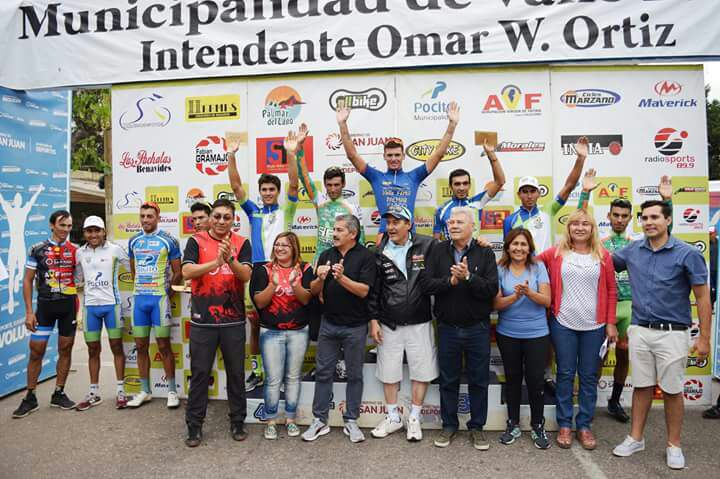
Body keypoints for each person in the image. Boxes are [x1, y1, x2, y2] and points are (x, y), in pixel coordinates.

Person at [611, 200, 711, 470]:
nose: (649, 222)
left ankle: (674, 445)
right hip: (640, 330)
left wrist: (704, 337)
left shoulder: (687, 253)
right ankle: (636, 438)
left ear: (668, 220)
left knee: (672, 390)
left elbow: (703, 298)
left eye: (655, 217)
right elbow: (601, 261)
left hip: (673, 334)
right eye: (644, 218)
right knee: (641, 386)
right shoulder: (631, 250)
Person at [578, 171, 673, 423]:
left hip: (630, 306)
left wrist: (667, 200)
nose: (619, 219)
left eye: (624, 216)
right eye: (615, 215)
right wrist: (585, 192)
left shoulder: (639, 242)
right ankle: (588, 404)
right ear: (608, 216)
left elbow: (667, 231)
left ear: (632, 218)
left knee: (623, 353)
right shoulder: (598, 242)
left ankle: (614, 401)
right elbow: (580, 221)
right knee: (597, 356)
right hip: (602, 306)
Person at [503, 136, 589, 392]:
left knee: (550, 325)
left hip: (548, 273)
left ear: (539, 193)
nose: (529, 195)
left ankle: (547, 374)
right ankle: (527, 374)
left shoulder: (548, 210)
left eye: (533, 190)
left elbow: (570, 185)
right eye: (525, 191)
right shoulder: (510, 219)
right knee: (522, 320)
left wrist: (580, 158)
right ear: (519, 194)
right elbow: (509, 249)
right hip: (520, 272)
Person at [536, 209, 617, 450]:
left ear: (592, 228)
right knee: (565, 374)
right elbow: (527, 260)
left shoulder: (603, 255)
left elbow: (612, 290)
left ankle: (584, 425)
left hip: (595, 325)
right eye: (575, 224)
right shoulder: (556, 253)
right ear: (568, 227)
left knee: (589, 376)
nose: (580, 228)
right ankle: (564, 424)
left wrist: (611, 322)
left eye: (585, 224)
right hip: (563, 323)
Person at [227, 130, 301, 393]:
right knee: (256, 325)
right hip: (258, 270)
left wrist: (291, 153)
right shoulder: (254, 212)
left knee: (282, 323)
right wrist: (231, 155)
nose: (268, 193)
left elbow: (294, 185)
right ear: (259, 192)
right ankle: (257, 371)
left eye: (272, 189)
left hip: (283, 270)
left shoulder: (287, 210)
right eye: (264, 190)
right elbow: (236, 188)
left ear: (277, 192)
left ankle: (281, 376)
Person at [421, 207, 498, 450]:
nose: (453, 225)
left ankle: (477, 428)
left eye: (459, 222)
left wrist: (468, 278)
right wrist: (450, 281)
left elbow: (491, 289)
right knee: (448, 380)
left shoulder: (485, 252)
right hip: (448, 328)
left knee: (479, 380)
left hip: (477, 328)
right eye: (450, 222)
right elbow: (426, 285)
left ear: (472, 226)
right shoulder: (437, 250)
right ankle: (449, 425)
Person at [181, 198, 253, 447]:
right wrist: (215, 262)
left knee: (236, 374)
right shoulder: (196, 241)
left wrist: (230, 259)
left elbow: (245, 275)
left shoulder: (242, 243)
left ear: (233, 220)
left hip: (233, 320)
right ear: (211, 218)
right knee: (200, 374)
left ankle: (238, 421)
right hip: (203, 321)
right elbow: (186, 272)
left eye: (227, 217)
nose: (222, 221)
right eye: (218, 216)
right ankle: (194, 425)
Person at [336, 99, 460, 240]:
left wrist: (452, 125)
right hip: (385, 235)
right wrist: (342, 124)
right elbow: (352, 155)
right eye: (390, 155)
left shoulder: (414, 177)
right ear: (384, 156)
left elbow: (439, 154)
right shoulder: (376, 177)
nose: (393, 159)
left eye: (397, 155)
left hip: (409, 235)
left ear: (403, 156)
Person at [302, 214, 376, 444]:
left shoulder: (366, 257)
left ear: (352, 234)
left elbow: (364, 291)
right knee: (323, 372)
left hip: (355, 326)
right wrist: (320, 279)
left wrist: (341, 278)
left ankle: (351, 420)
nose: (334, 234)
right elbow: (314, 290)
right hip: (329, 324)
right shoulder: (326, 254)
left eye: (339, 230)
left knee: (354, 375)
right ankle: (319, 420)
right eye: (334, 229)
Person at [367, 205, 437, 442]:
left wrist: (480, 243)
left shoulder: (427, 245)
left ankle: (414, 418)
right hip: (389, 323)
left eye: (396, 222)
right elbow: (374, 292)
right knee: (389, 372)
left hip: (420, 321)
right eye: (388, 222)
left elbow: (455, 249)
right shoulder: (378, 252)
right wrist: (374, 320)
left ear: (409, 224)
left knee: (422, 371)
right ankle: (393, 417)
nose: (391, 227)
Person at [12, 210, 78, 418]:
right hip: (45, 308)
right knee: (36, 351)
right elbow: (27, 280)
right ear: (51, 225)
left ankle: (59, 393)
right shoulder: (37, 249)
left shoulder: (76, 250)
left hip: (68, 307)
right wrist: (29, 312)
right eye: (62, 225)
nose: (66, 230)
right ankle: (30, 396)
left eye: (69, 226)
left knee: (65, 349)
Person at [250, 232, 313, 440]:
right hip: (271, 332)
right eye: (277, 244)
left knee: (293, 377)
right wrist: (273, 284)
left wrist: (294, 284)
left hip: (298, 331)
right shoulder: (264, 270)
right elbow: (260, 302)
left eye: (285, 245)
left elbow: (306, 300)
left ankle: (290, 419)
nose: (280, 248)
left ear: (294, 248)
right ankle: (271, 420)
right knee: (273, 379)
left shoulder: (305, 269)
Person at [493, 228, 552, 449]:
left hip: (537, 334)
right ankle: (513, 424)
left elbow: (547, 300)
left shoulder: (538, 267)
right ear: (508, 247)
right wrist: (516, 296)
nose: (519, 248)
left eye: (523, 244)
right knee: (513, 379)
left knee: (536, 381)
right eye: (515, 244)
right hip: (508, 333)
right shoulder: (499, 268)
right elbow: (496, 304)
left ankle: (538, 425)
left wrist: (529, 293)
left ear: (529, 248)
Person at [126, 202, 183, 408]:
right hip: (139, 300)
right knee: (140, 346)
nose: (145, 220)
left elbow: (178, 272)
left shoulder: (169, 240)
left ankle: (172, 391)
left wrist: (166, 293)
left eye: (150, 216)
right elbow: (133, 272)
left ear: (158, 217)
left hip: (159, 300)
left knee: (164, 346)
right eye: (142, 216)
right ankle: (145, 391)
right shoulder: (134, 241)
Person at [74, 216, 131, 410]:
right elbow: (78, 278)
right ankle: (94, 392)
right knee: (92, 349)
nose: (93, 235)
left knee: (116, 347)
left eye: (97, 230)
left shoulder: (115, 249)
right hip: (90, 307)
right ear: (84, 233)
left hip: (112, 306)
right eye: (89, 231)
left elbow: (132, 269)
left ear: (104, 231)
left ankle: (121, 391)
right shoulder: (79, 253)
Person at [434, 141, 505, 240]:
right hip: (449, 250)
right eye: (457, 184)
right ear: (450, 186)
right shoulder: (441, 210)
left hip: (473, 249)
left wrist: (491, 154)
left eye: (465, 183)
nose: (461, 188)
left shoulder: (477, 202)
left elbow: (500, 182)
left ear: (469, 185)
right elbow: (435, 241)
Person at [1, 185, 44, 314]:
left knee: (21, 273)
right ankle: (10, 298)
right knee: (11, 274)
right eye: (16, 199)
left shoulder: (24, 210)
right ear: (14, 201)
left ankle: (16, 280)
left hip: (21, 245)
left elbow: (31, 201)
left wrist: (39, 190)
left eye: (20, 199)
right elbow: (2, 200)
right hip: (13, 246)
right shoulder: (9, 210)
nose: (18, 200)